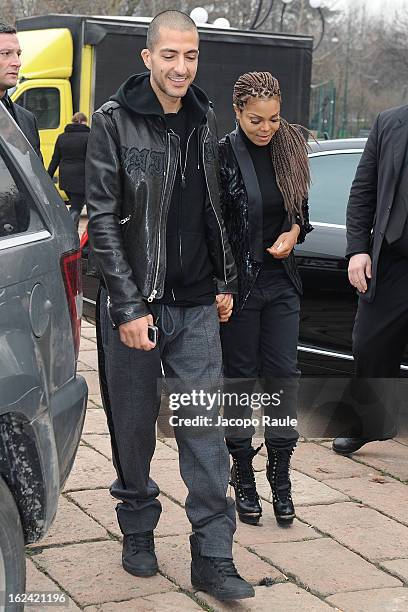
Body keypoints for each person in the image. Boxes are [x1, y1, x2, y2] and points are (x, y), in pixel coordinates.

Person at [85, 10, 254, 602]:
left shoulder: (207, 121)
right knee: (132, 430)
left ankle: (213, 554)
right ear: (148, 58)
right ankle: (137, 529)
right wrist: (128, 309)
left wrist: (227, 281)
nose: (181, 68)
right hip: (136, 308)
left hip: (197, 307)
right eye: (170, 56)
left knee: (203, 429)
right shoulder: (113, 123)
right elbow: (102, 220)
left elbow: (217, 210)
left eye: (191, 56)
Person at [218, 72, 312, 526]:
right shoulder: (221, 155)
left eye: (274, 118)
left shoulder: (289, 145)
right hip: (240, 285)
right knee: (240, 378)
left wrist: (293, 232)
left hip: (281, 283)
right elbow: (212, 228)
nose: (266, 127)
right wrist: (221, 285)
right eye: (256, 119)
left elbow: (301, 214)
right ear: (237, 112)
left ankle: (280, 474)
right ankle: (242, 472)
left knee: (282, 378)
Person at [332, 105, 408, 455]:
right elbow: (363, 190)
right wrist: (357, 249)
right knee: (368, 344)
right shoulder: (389, 122)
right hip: (391, 260)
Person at [0, 22, 42, 159]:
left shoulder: (28, 120)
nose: (17, 62)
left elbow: (36, 177)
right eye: (6, 53)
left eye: (18, 54)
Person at [48, 112, 90, 228]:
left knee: (75, 205)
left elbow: (55, 159)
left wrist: (47, 176)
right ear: (82, 122)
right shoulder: (88, 137)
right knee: (76, 208)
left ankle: (74, 237)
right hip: (81, 179)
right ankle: (68, 230)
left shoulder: (62, 137)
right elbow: (93, 159)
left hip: (66, 179)